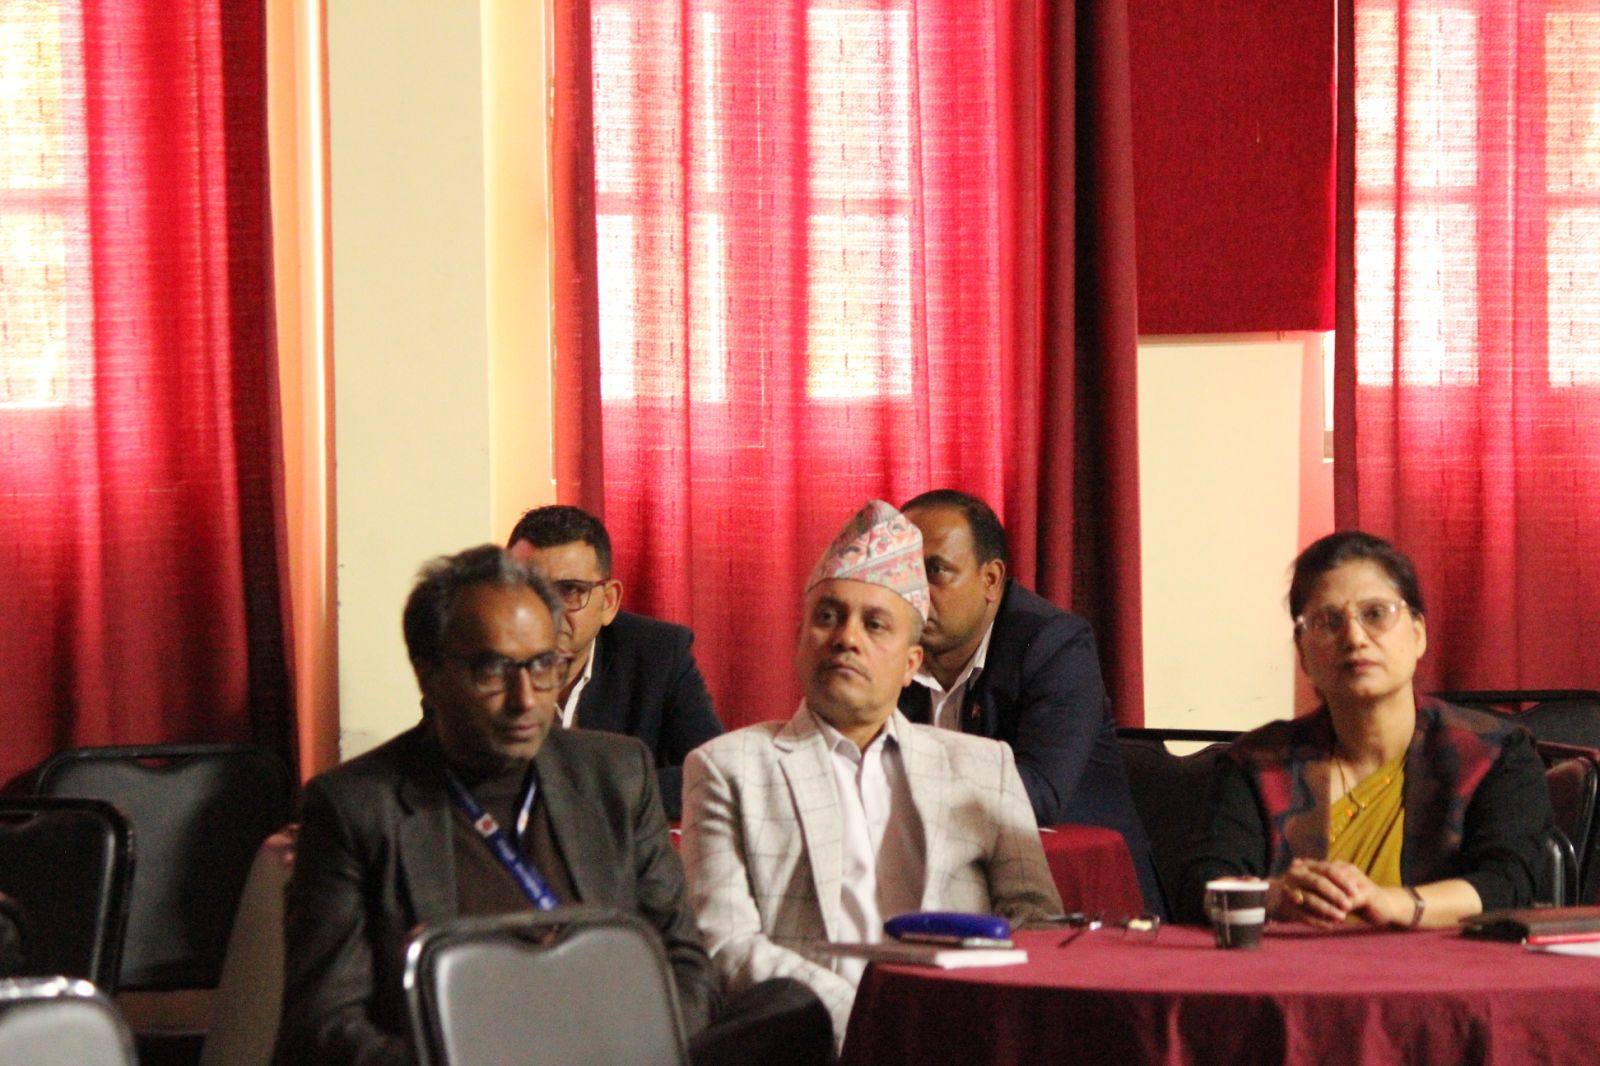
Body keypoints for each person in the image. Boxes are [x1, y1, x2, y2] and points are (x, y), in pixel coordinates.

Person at [277, 545, 829, 1065]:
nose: (526, 700)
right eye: (493, 671)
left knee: (790, 1006)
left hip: (617, 1047)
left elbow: (685, 962)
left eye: (544, 666)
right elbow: (325, 1024)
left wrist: (630, 1049)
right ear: (429, 673)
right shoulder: (356, 807)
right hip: (469, 1054)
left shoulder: (614, 774)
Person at [682, 501, 1062, 1048]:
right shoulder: (729, 768)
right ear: (799, 641)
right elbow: (726, 946)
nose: (846, 638)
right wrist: (871, 1022)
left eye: (875, 624)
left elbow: (1038, 927)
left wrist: (961, 1021)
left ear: (911, 665)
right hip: (811, 1044)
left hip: (960, 1037)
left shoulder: (984, 767)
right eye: (828, 617)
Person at [1179, 530, 1554, 929]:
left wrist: (1390, 904)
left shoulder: (1492, 754)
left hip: (1444, 965)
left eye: (1375, 614)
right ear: (1303, 652)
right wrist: (1275, 896)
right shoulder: (1258, 764)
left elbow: (1507, 884)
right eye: (1328, 621)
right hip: (1290, 965)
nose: (1355, 638)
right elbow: (1202, 885)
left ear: (1418, 633)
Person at [896, 489, 1162, 915]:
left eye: (935, 571)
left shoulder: (1054, 645)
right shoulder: (890, 649)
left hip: (1082, 903)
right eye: (902, 573)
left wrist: (893, 786)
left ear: (991, 580)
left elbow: (1037, 793)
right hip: (949, 884)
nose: (913, 592)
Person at [507, 505, 723, 819]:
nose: (547, 611)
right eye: (529, 591)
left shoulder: (658, 654)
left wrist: (584, 797)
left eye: (570, 591)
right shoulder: (478, 660)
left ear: (608, 602)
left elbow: (711, 772)